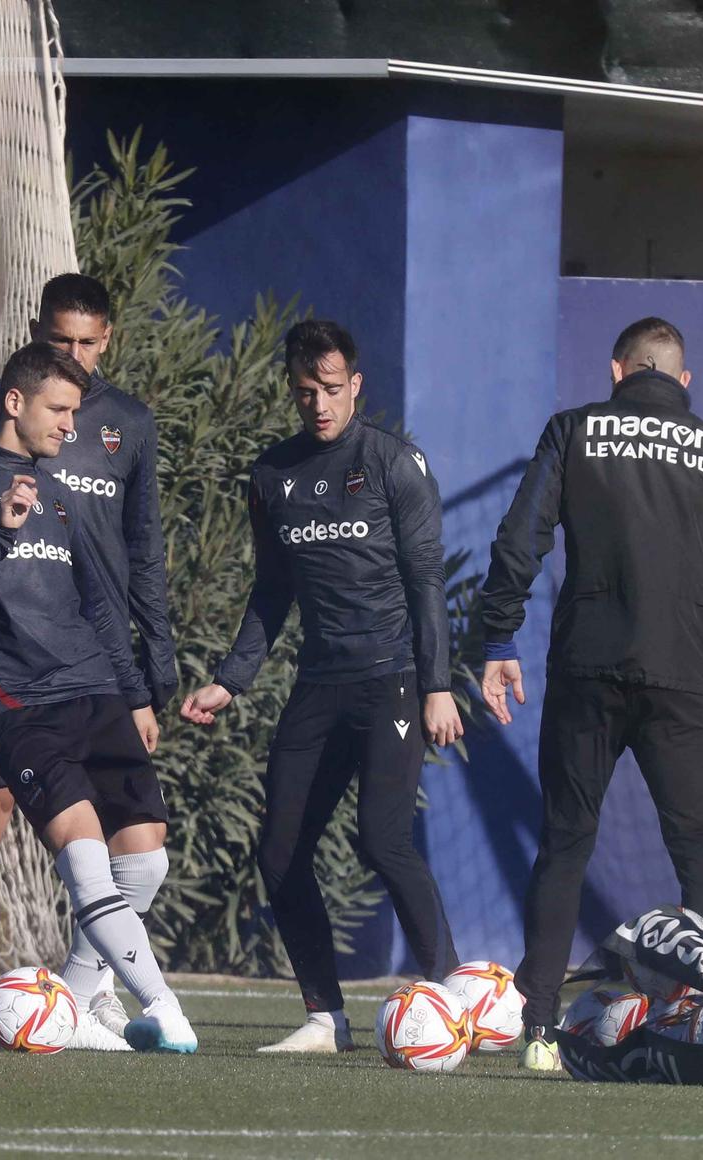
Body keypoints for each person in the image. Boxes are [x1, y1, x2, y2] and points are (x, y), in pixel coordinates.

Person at [477, 316, 703, 1072]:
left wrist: (496, 639)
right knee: (698, 856)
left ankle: (541, 1029)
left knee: (564, 844)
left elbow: (522, 538)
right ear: (684, 382)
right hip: (682, 676)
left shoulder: (573, 431)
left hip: (588, 668)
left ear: (617, 373)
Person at [181, 320, 462, 1054]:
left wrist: (438, 685)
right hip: (319, 684)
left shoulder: (396, 464)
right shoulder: (273, 476)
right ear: (292, 389)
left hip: (393, 681)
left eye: (332, 390)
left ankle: (452, 991)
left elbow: (426, 581)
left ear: (356, 384)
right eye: (306, 392)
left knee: (382, 839)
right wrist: (230, 681)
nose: (319, 405)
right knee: (279, 852)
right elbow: (271, 591)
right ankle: (324, 1017)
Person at [0, 274, 178, 1044]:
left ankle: (84, 988)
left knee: (131, 841)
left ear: (109, 339)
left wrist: (149, 671)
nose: (76, 355)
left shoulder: (128, 423)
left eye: (89, 341)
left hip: (90, 665)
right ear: (35, 342)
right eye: (61, 341)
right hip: (6, 655)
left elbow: (141, 550)